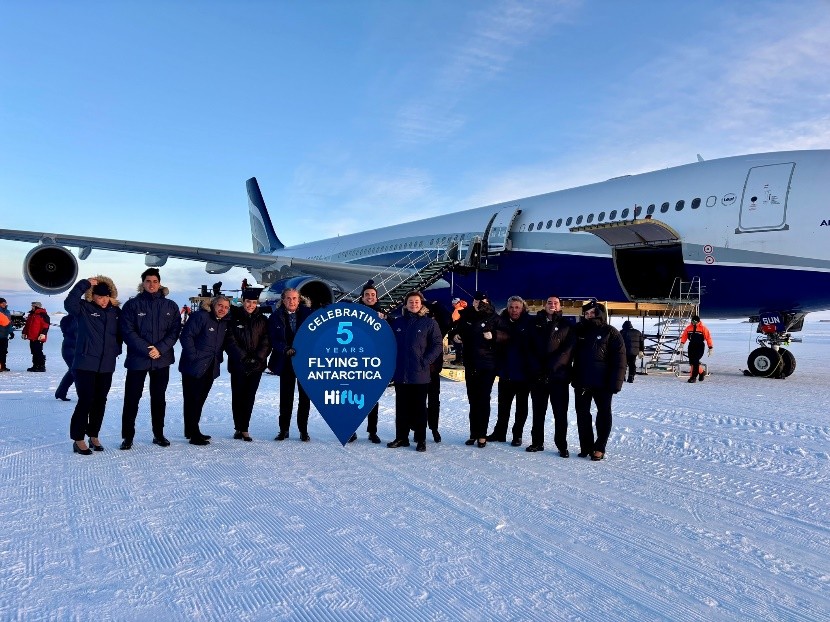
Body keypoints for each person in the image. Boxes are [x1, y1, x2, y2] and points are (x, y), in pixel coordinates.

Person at [118, 268, 182, 450]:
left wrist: (160, 348)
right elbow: (128, 331)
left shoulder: (170, 306)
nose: (151, 284)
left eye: (155, 281)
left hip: (161, 360)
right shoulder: (132, 306)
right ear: (143, 283)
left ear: (159, 283)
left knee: (158, 398)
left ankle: (158, 433)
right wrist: (148, 349)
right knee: (132, 398)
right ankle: (128, 436)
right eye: (148, 281)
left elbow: (174, 331)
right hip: (138, 360)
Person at [64, 277, 122, 455]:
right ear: (92, 296)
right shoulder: (83, 309)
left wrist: (115, 350)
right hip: (84, 364)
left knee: (100, 401)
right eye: (99, 296)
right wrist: (85, 283)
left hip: (106, 365)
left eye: (106, 297)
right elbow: (69, 302)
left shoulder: (115, 312)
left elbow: (120, 333)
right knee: (85, 400)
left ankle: (94, 435)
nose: (103, 300)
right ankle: (78, 439)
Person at [387, 291, 443, 452]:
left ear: (421, 304)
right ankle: (401, 437)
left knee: (419, 408)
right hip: (401, 373)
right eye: (410, 302)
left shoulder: (429, 323)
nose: (413, 304)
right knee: (401, 407)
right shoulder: (398, 322)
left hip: (420, 373)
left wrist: (425, 361)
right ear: (406, 304)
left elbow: (437, 345)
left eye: (416, 302)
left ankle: (421, 439)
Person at [571, 301, 626, 461]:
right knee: (582, 415)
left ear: (600, 314)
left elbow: (620, 359)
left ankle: (599, 447)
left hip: (603, 383)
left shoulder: (611, 332)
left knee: (603, 414)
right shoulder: (578, 331)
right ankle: (586, 446)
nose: (589, 316)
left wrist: (616, 383)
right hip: (581, 381)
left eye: (592, 313)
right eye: (586, 313)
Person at [451, 291, 505, 447]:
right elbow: (456, 328)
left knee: (483, 398)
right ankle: (473, 433)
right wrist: (456, 336)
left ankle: (482, 435)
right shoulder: (466, 315)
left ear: (487, 302)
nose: (478, 303)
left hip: (487, 365)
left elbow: (507, 335)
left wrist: (494, 335)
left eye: (482, 301)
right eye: (476, 301)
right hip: (471, 362)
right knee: (473, 399)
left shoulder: (494, 317)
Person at [179, 296, 231, 445]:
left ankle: (191, 429)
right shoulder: (200, 316)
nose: (223, 309)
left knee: (199, 400)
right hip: (194, 365)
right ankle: (194, 433)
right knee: (192, 399)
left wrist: (218, 358)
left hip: (211, 366)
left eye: (226, 307)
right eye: (220, 306)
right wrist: (194, 356)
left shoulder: (223, 322)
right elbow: (186, 336)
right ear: (213, 305)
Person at [527, 296, 576, 455]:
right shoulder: (534, 324)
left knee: (560, 413)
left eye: (555, 303)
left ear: (560, 306)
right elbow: (529, 348)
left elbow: (567, 351)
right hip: (538, 377)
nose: (552, 305)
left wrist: (551, 368)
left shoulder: (567, 325)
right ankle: (537, 442)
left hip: (558, 377)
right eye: (549, 302)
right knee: (538, 411)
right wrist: (537, 368)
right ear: (545, 305)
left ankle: (562, 445)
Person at [488, 296, 535, 446]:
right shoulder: (501, 322)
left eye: (517, 307)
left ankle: (517, 435)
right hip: (506, 372)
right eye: (511, 307)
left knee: (521, 407)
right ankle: (500, 432)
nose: (514, 310)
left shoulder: (529, 323)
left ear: (523, 308)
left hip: (523, 374)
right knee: (503, 406)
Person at [268, 288, 312, 441]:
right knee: (285, 398)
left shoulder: (309, 314)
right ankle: (284, 430)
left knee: (305, 398)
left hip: (305, 363)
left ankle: (303, 430)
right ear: (283, 299)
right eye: (288, 298)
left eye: (294, 298)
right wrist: (284, 348)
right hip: (286, 362)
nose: (291, 301)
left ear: (299, 300)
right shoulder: (275, 317)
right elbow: (273, 338)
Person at [225, 290, 271, 441]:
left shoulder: (262, 320)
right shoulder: (233, 317)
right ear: (243, 301)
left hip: (256, 366)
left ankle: (244, 428)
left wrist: (257, 359)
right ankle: (238, 427)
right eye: (248, 302)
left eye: (253, 302)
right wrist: (244, 358)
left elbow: (266, 341)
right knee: (238, 396)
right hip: (238, 365)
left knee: (249, 397)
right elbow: (230, 341)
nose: (251, 305)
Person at [349, 281, 385, 443]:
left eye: (373, 295)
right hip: (355, 362)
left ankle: (372, 431)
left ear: (376, 298)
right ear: (362, 298)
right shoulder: (353, 313)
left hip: (373, 363)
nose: (370, 297)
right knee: (352, 397)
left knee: (372, 398)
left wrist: (385, 318)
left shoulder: (382, 313)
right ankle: (351, 429)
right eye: (367, 295)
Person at [424, 298, 452, 442]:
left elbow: (448, 318)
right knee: (418, 401)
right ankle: (418, 428)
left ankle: (434, 428)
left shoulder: (438, 326)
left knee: (434, 401)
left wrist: (434, 304)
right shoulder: (414, 322)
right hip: (417, 370)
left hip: (433, 369)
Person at [680, 314, 714, 383]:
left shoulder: (703, 328)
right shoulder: (689, 328)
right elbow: (684, 335)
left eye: (695, 322)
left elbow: (708, 338)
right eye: (692, 321)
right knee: (692, 362)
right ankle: (701, 372)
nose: (693, 323)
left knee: (695, 361)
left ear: (698, 321)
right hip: (691, 345)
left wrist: (710, 347)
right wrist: (682, 343)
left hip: (699, 346)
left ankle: (693, 377)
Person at [54, 314, 77, 401]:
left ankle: (61, 392)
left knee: (72, 372)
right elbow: (71, 331)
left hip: (73, 348)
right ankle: (84, 395)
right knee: (75, 371)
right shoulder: (70, 319)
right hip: (69, 349)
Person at [22, 301, 50, 371]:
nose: (32, 307)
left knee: (38, 351)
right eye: (32, 306)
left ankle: (41, 366)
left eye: (33, 306)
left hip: (39, 337)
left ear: (37, 306)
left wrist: (43, 334)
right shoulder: (31, 315)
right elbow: (27, 325)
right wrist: (24, 332)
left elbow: (46, 326)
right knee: (34, 351)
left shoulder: (43, 315)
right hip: (32, 337)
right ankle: (35, 365)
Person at [0, 297, 12, 372]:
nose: (4, 304)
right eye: (2, 303)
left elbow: (9, 323)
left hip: (5, 335)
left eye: (5, 303)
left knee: (4, 351)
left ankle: (3, 366)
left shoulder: (7, 312)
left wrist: (11, 332)